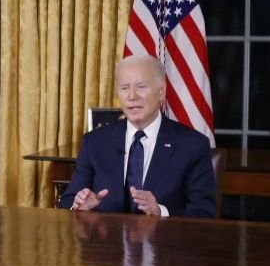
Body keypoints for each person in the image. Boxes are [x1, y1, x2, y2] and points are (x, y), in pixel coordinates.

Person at [58, 55, 216, 218]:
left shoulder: (192, 146)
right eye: (124, 88)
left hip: (163, 241)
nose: (132, 96)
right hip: (106, 242)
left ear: (161, 92)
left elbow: (204, 213)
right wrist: (78, 207)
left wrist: (160, 212)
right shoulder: (94, 142)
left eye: (141, 87)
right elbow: (67, 201)